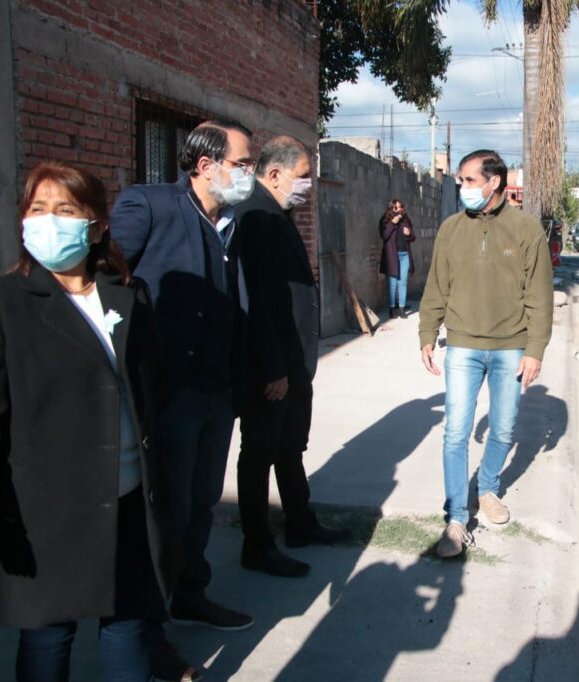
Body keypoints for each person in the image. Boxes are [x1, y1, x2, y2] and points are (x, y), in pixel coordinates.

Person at [0, 161, 179, 681]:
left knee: (127, 628)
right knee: (49, 635)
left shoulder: (127, 295)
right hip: (46, 512)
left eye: (65, 210)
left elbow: (150, 391)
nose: (49, 221)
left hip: (130, 500)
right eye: (37, 209)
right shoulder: (3, 304)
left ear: (95, 226)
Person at [111, 120, 255, 677]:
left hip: (216, 390)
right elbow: (107, 274)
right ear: (205, 166)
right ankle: (148, 636)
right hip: (169, 392)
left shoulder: (230, 223)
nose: (247, 173)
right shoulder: (149, 205)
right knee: (162, 514)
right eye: (242, 164)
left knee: (199, 504)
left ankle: (191, 595)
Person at [418, 149, 553, 559]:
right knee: (456, 432)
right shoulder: (451, 229)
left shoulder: (526, 230)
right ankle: (457, 518)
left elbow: (540, 295)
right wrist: (428, 331)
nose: (462, 189)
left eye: (469, 181)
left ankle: (488, 487)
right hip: (462, 346)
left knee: (505, 428)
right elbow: (436, 285)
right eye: (460, 181)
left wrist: (535, 349)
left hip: (511, 348)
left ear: (494, 182)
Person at [234, 135, 350, 578]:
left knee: (289, 447)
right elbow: (259, 302)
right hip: (275, 367)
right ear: (276, 173)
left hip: (294, 363)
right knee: (259, 452)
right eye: (304, 177)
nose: (308, 187)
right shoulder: (257, 216)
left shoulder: (276, 212)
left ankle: (300, 523)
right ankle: (257, 543)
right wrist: (274, 368)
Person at [378, 199, 416, 319]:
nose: (397, 210)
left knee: (403, 282)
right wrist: (392, 223)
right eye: (395, 208)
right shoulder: (385, 220)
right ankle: (391, 309)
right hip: (392, 256)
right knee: (392, 283)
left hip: (404, 255)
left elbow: (413, 237)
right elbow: (384, 236)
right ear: (390, 209)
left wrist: (409, 233)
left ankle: (402, 308)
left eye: (399, 207)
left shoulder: (406, 220)